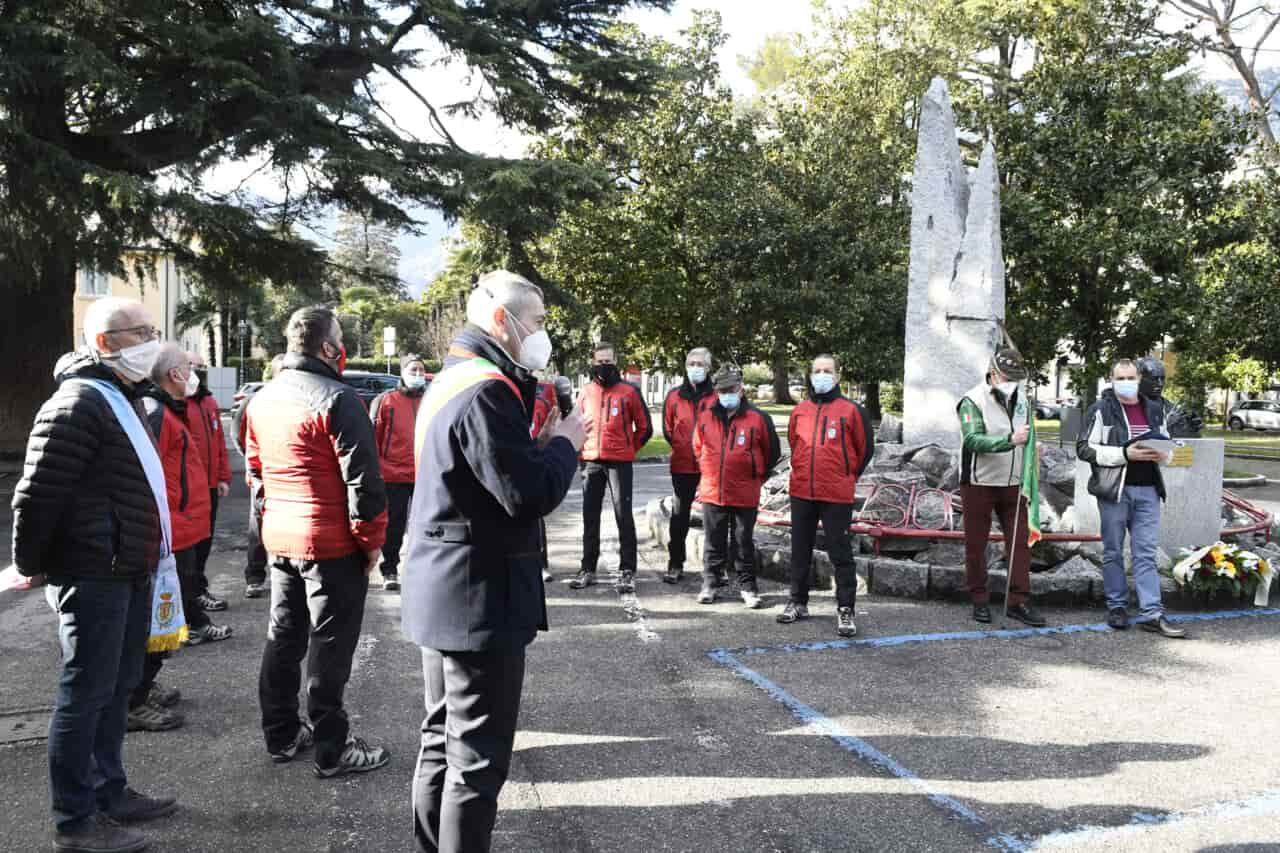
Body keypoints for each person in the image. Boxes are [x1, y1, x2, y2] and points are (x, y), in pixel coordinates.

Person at [401, 270, 590, 853]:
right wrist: (566, 442)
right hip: (475, 599)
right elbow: (525, 492)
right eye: (535, 322)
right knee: (476, 764)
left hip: (447, 588)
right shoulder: (484, 389)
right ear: (502, 321)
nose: (542, 335)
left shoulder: (457, 376)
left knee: (442, 741)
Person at [12, 296, 177, 853]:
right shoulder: (77, 403)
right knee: (84, 694)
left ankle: (111, 792)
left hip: (127, 566)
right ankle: (75, 822)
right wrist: (32, 563)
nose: (152, 341)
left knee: (117, 688)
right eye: (141, 333)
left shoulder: (120, 398)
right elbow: (36, 495)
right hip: (93, 571)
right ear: (104, 344)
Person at [245, 306, 391, 776]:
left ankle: (282, 734)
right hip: (330, 543)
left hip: (282, 536)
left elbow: (256, 469)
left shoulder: (263, 398)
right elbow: (365, 482)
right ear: (328, 348)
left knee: (284, 636)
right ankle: (332, 748)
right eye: (341, 339)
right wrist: (371, 541)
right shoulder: (337, 397)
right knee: (330, 645)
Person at [129, 345, 233, 733]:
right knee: (160, 613)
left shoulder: (166, 409)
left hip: (182, 525)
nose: (195, 373)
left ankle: (141, 686)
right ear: (174, 374)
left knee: (167, 612)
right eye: (189, 367)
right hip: (170, 529)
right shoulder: (157, 413)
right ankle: (133, 698)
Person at [1078, 359, 1186, 638]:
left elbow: (1167, 444)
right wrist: (1124, 454)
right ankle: (1117, 606)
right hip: (1115, 489)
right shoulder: (1101, 409)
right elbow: (1084, 448)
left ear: (1139, 378)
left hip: (1149, 489)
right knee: (1113, 550)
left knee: (1146, 553)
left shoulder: (1153, 408)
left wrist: (1165, 453)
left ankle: (1152, 612)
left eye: (1130, 377)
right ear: (1111, 379)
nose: (1126, 381)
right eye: (1120, 377)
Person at [779, 355, 874, 636]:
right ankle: (798, 601)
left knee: (840, 552)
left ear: (838, 376)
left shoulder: (852, 411)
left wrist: (845, 475)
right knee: (800, 549)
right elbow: (795, 444)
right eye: (817, 371)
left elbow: (865, 449)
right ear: (810, 375)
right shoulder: (800, 411)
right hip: (802, 491)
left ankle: (845, 608)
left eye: (827, 371)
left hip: (836, 493)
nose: (821, 375)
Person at [956, 348, 1047, 627]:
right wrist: (1010, 439)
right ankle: (979, 599)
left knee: (1020, 544)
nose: (1012, 383)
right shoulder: (971, 400)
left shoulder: (1023, 401)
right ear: (993, 374)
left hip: (1014, 483)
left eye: (1016, 378)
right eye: (1008, 377)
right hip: (979, 482)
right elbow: (973, 440)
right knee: (976, 544)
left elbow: (1027, 433)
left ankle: (1019, 600)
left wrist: (1032, 448)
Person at [692, 365, 781, 608]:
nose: (726, 394)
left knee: (743, 541)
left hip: (745, 491)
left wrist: (754, 475)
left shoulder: (759, 418)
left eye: (731, 389)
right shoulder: (706, 416)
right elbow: (698, 448)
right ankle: (710, 583)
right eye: (722, 390)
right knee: (713, 542)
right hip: (713, 491)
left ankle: (748, 587)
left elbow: (772, 453)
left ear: (740, 389)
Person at [570, 342, 652, 592]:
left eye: (608, 361)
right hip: (591, 460)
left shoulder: (629, 392)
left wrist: (628, 449)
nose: (604, 366)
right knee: (590, 516)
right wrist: (581, 454)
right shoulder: (585, 392)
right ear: (593, 362)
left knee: (623, 515)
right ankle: (588, 568)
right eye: (599, 362)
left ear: (615, 362)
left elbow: (645, 428)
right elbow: (576, 426)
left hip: (619, 461)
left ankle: (628, 570)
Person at [370, 353, 430, 592]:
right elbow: (373, 439)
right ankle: (389, 569)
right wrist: (377, 470)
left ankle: (420, 571)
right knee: (393, 526)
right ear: (402, 373)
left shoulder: (431, 399)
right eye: (413, 370)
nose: (417, 375)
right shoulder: (386, 401)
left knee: (424, 526)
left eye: (421, 370)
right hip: (393, 475)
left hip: (425, 475)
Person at [661, 347, 716, 585]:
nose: (696, 368)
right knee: (679, 515)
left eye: (700, 364)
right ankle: (675, 563)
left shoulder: (717, 396)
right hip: (682, 464)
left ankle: (715, 568)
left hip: (711, 467)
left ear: (709, 368)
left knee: (715, 518)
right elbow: (667, 429)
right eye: (692, 363)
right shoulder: (674, 396)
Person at [185, 352, 232, 611]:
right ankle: (192, 593)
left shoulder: (208, 401)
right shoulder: (177, 403)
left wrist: (223, 477)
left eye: (199, 366)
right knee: (189, 545)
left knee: (204, 540)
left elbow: (218, 444)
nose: (195, 370)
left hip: (210, 486)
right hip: (189, 487)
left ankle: (198, 588)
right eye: (190, 365)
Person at [236, 353, 285, 598]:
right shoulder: (256, 401)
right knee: (257, 530)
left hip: (287, 478)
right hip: (261, 478)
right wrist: (251, 466)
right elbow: (239, 434)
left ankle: (284, 576)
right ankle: (255, 577)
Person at [530, 379, 560, 583]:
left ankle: (542, 564)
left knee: (536, 518)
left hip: (535, 458)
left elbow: (548, 431)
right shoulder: (502, 397)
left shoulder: (541, 403)